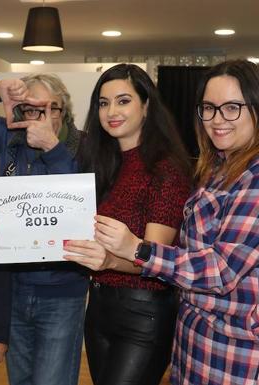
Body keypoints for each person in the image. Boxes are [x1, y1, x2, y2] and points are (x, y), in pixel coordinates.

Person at [66, 60, 259, 385]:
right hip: (200, 347)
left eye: (232, 107)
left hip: (249, 356)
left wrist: (135, 249)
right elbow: (192, 254)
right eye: (209, 108)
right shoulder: (219, 169)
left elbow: (220, 270)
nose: (218, 119)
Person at [62, 63, 191, 385]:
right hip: (99, 307)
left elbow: (157, 257)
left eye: (123, 100)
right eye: (103, 103)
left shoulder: (166, 168)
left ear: (146, 105)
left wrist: (108, 260)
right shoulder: (103, 163)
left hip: (143, 313)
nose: (111, 111)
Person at [0, 74, 87, 385]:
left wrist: (52, 148)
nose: (37, 118)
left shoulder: (85, 145)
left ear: (61, 111)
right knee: (21, 379)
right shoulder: (9, 136)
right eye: (29, 109)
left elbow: (79, 208)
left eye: (47, 109)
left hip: (62, 291)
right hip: (13, 287)